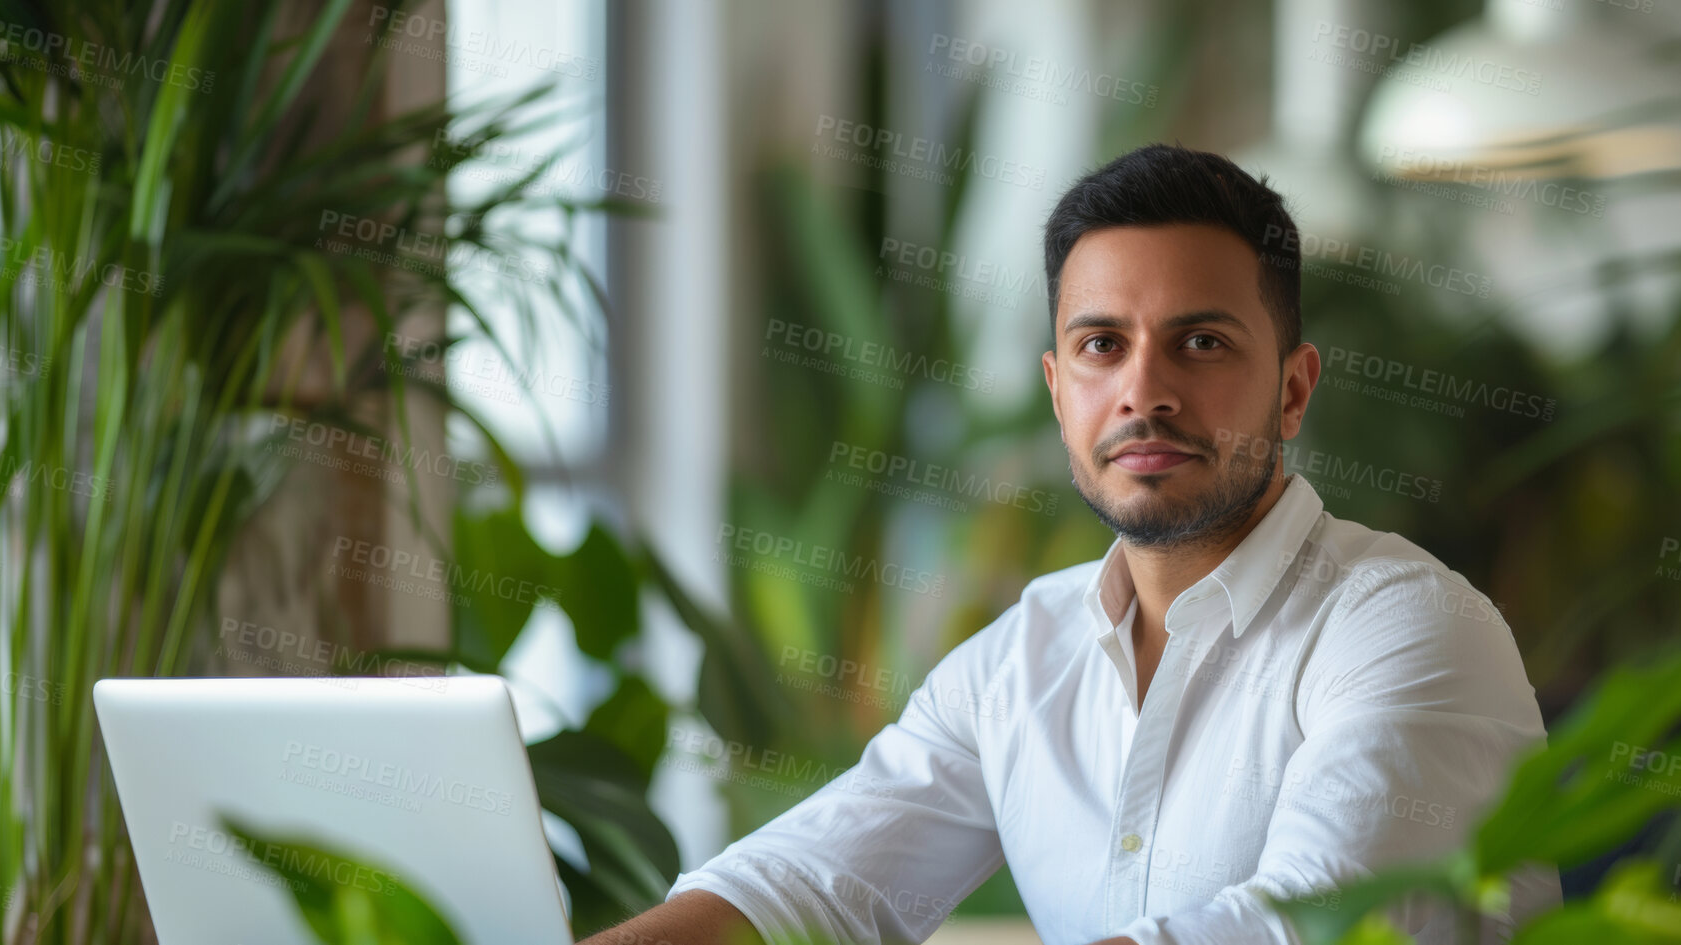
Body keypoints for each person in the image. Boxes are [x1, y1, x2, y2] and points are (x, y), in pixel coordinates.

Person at [582, 144, 1558, 945]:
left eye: (1202, 342)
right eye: (1101, 345)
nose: (1144, 392)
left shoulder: (1409, 626)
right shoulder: (1026, 654)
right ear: (1058, 391)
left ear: (1293, 390)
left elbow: (1304, 926)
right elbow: (809, 884)